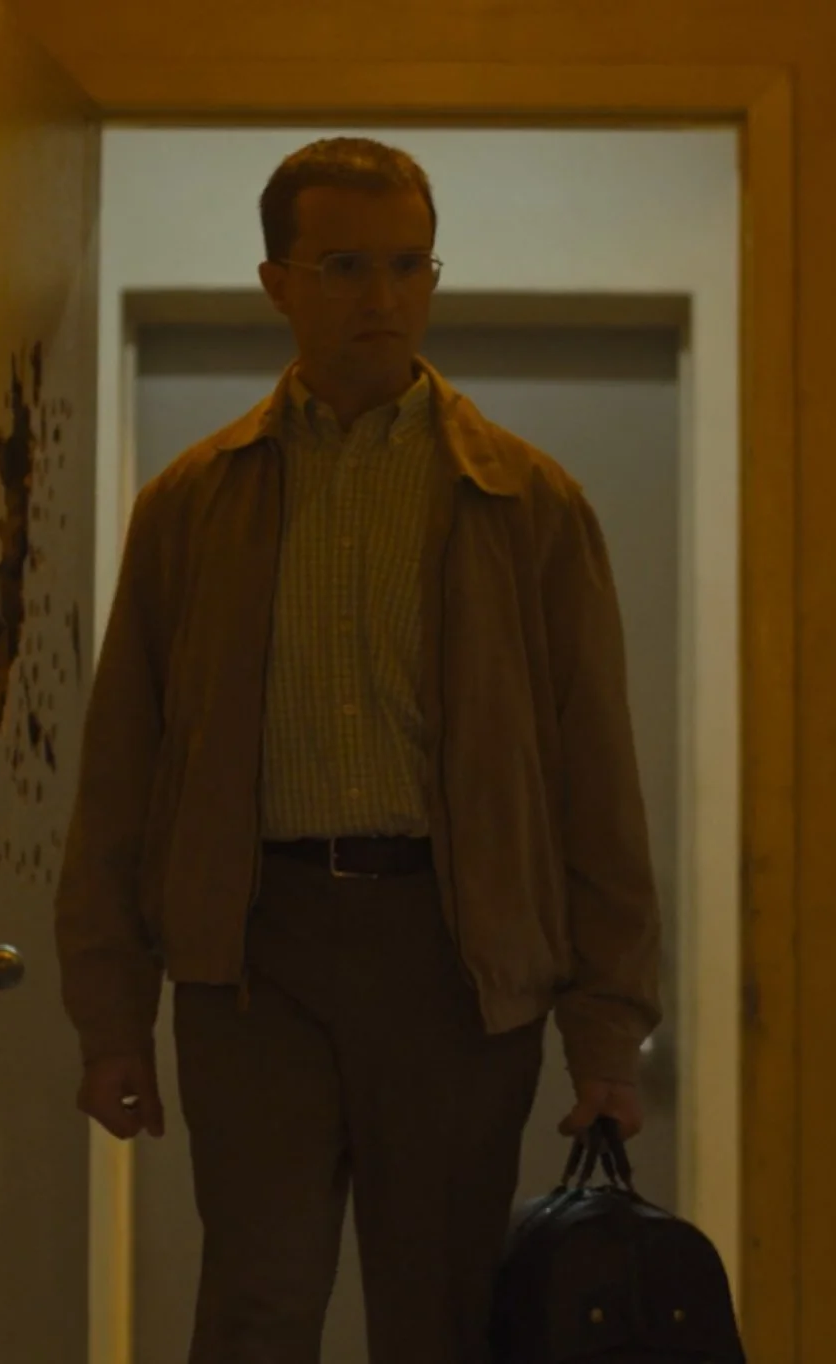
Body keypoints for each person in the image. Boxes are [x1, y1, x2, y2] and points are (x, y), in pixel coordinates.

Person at [52, 136, 661, 1364]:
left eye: (406, 264)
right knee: (256, 1302)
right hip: (255, 952)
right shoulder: (195, 502)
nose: (381, 295)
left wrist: (606, 1035)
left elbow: (594, 782)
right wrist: (112, 1015)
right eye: (344, 265)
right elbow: (123, 771)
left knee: (438, 1311)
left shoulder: (523, 501)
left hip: (453, 956)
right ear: (277, 281)